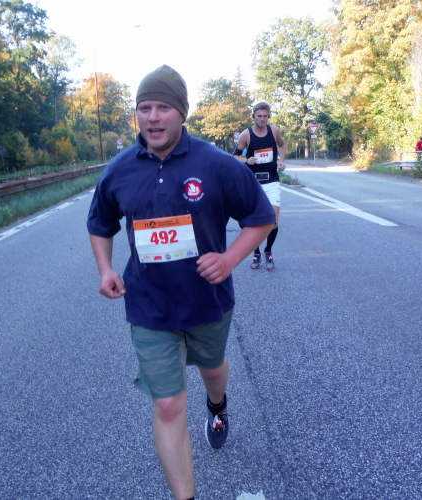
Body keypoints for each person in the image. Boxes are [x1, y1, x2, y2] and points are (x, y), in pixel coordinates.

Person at [86, 65, 275, 500]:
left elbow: (261, 217)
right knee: (169, 404)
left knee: (213, 368)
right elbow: (100, 223)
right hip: (148, 306)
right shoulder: (119, 170)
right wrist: (105, 269)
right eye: (144, 108)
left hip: (207, 302)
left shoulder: (216, 163)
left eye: (163, 108)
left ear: (181, 113)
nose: (153, 117)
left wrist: (229, 259)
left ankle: (217, 404)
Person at [233, 102, 287, 271]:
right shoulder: (246, 135)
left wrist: (282, 161)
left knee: (273, 222)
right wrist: (246, 160)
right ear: (253, 116)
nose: (262, 119)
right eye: (259, 116)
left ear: (268, 116)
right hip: (253, 183)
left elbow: (282, 145)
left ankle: (268, 250)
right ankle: (256, 253)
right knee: (253, 221)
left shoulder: (274, 131)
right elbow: (234, 156)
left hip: (271, 181)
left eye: (265, 116)